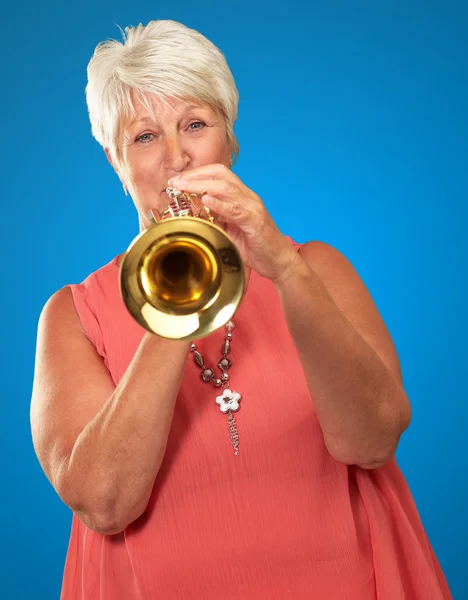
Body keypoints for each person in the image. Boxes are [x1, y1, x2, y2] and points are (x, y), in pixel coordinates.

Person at [30, 19, 452, 599]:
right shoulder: (75, 314)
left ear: (229, 139)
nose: (176, 158)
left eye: (195, 125)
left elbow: (373, 440)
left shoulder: (316, 270)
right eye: (145, 137)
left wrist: (284, 267)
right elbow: (104, 503)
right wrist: (178, 297)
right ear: (115, 161)